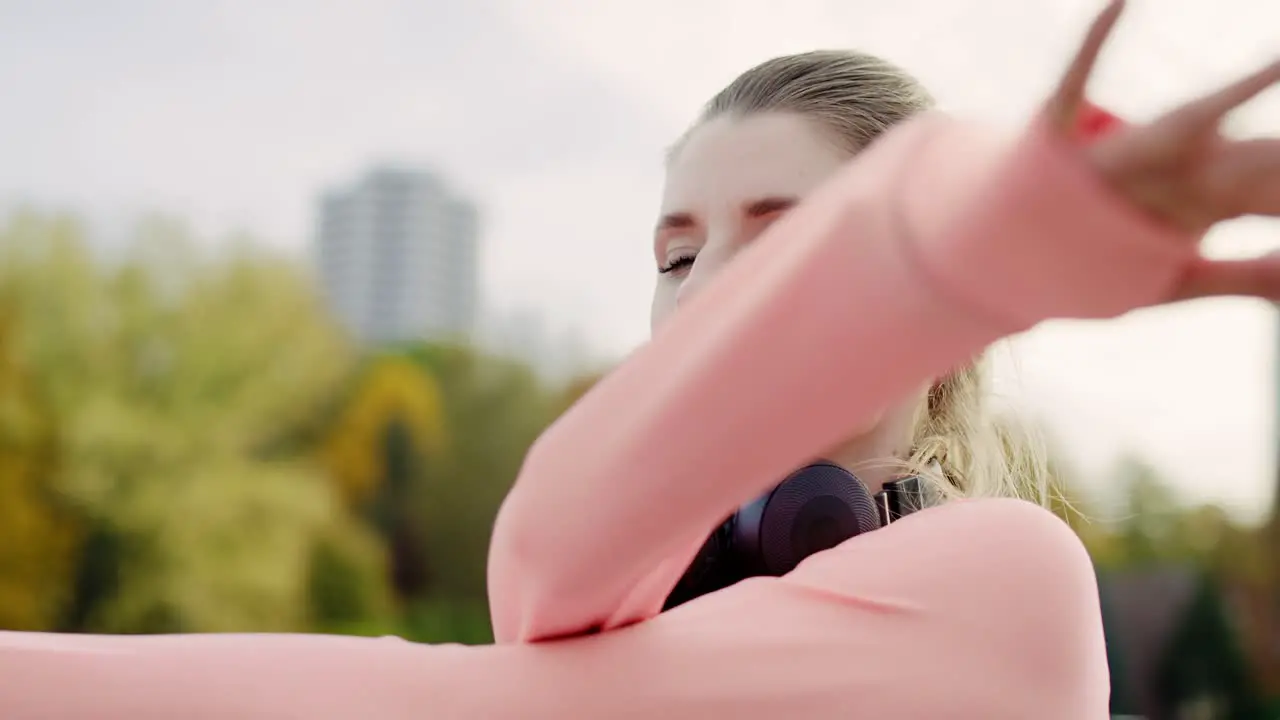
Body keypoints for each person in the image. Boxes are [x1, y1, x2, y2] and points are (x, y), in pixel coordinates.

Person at [3, 2, 1279, 717]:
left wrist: (945, 260)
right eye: (674, 257)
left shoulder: (1007, 583)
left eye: (798, 245)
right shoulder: (612, 607)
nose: (711, 287)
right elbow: (543, 557)